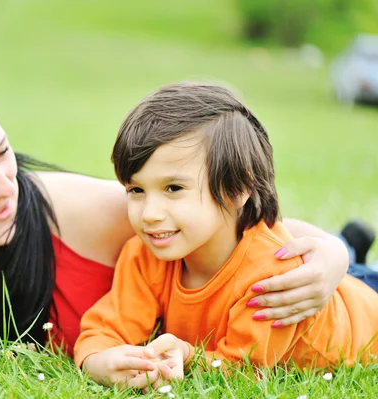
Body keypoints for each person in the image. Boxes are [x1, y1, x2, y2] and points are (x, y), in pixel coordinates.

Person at [0, 62, 350, 366]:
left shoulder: (73, 208)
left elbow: (240, 223)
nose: (3, 187)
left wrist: (333, 253)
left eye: (2, 154)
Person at [74, 82, 378, 389]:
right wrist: (98, 359)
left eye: (174, 188)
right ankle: (352, 246)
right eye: (136, 190)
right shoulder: (144, 254)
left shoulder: (272, 275)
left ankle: (352, 249)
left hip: (368, 311)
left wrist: (188, 356)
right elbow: (106, 328)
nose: (149, 213)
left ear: (237, 189)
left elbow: (243, 369)